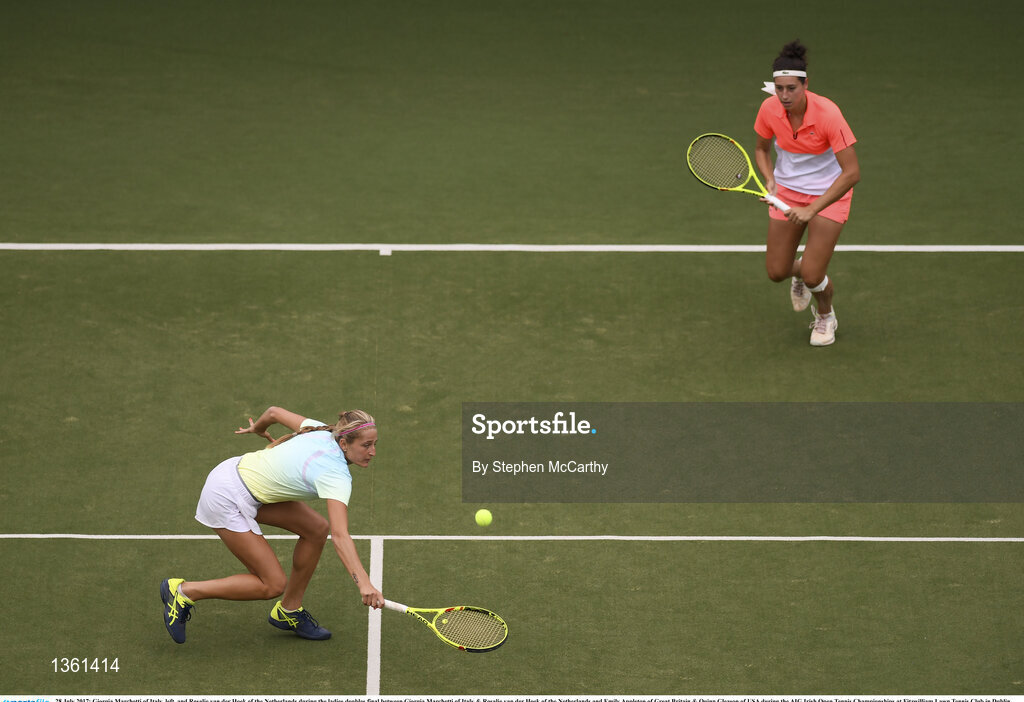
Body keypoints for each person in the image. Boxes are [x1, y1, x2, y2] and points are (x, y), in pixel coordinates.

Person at [160, 406, 383, 644]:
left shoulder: (321, 430)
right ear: (344, 444)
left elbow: (274, 412)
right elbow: (340, 536)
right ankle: (183, 592)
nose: (372, 452)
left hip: (236, 474)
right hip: (225, 498)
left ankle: (288, 611)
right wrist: (364, 584)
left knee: (316, 529)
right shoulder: (336, 475)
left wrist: (258, 428)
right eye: (366, 445)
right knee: (272, 584)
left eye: (374, 444)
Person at [754, 40, 860, 346]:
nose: (784, 96)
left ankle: (826, 315)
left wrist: (812, 209)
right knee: (776, 272)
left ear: (805, 85)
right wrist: (769, 178)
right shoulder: (769, 108)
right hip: (787, 191)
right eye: (779, 88)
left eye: (791, 88)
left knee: (815, 275)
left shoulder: (829, 114)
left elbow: (852, 172)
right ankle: (796, 273)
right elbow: (761, 149)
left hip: (830, 194)